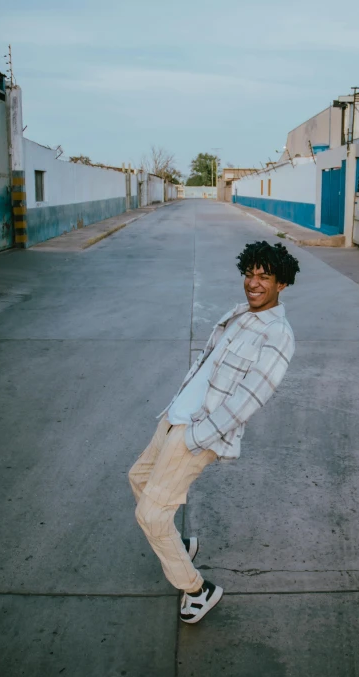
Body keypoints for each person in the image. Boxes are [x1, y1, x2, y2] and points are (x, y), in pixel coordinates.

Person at [128, 240, 300, 624]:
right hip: (175, 415)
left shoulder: (279, 335)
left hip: (195, 432)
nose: (253, 283)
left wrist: (195, 437)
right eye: (249, 274)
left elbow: (247, 401)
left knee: (151, 516)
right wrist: (176, 412)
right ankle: (179, 545)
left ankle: (197, 590)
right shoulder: (240, 313)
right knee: (138, 478)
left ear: (281, 284)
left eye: (264, 277)